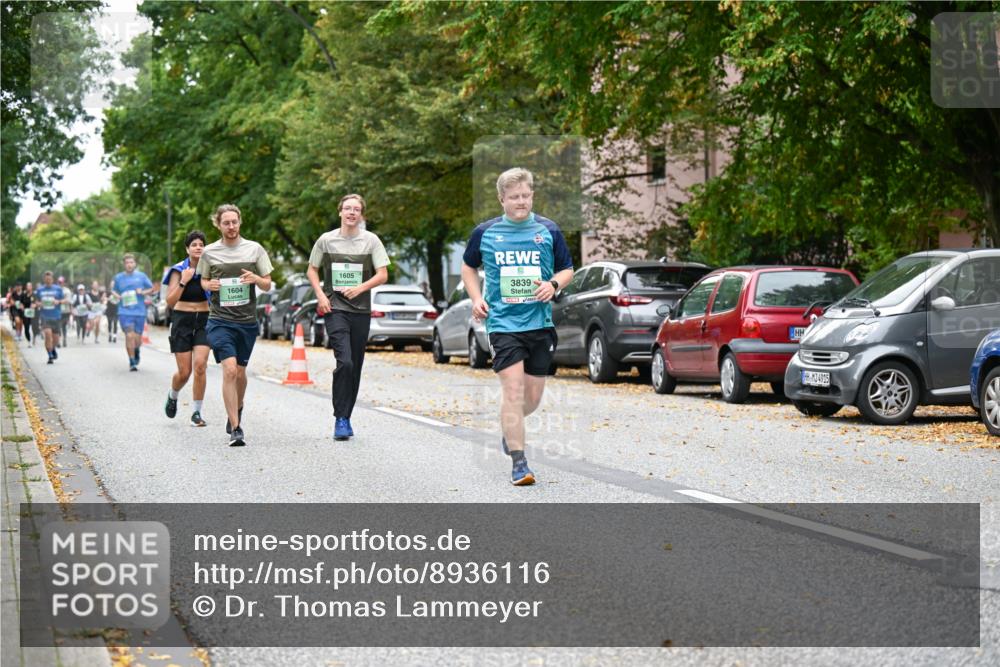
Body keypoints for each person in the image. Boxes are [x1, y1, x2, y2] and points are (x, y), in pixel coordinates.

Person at [461, 167, 574, 486]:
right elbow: (468, 267)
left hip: (539, 323)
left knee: (533, 398)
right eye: (514, 197)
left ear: (532, 196)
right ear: (502, 199)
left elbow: (568, 269)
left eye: (525, 196)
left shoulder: (548, 230)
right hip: (502, 324)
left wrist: (553, 284)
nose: (521, 202)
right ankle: (519, 463)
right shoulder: (485, 232)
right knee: (512, 389)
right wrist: (476, 298)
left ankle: (510, 430)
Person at [306, 193, 390, 441]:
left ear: (361, 214)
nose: (352, 213)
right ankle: (340, 419)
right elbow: (312, 269)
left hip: (360, 311)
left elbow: (382, 274)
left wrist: (361, 288)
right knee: (345, 362)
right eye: (347, 208)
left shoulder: (371, 241)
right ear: (340, 212)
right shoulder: (326, 240)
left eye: (356, 209)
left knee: (355, 366)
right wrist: (321, 295)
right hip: (335, 309)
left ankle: (347, 415)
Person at [200, 204, 273, 446]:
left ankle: (237, 408)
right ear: (218, 225)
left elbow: (267, 285)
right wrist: (209, 286)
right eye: (226, 223)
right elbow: (204, 280)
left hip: (247, 322)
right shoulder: (209, 252)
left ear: (240, 222)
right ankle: (235, 427)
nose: (231, 227)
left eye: (234, 222)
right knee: (229, 370)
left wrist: (256, 278)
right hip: (220, 320)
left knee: (241, 373)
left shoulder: (255, 249)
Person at [164, 230, 211, 427]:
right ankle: (173, 395)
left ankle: (196, 413)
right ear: (187, 248)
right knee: (184, 372)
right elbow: (170, 301)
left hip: (204, 320)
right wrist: (184, 280)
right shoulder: (178, 270)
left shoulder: (210, 269)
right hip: (182, 320)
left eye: (201, 244)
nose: (198, 247)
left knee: (200, 366)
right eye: (194, 244)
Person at [111, 254, 154, 371]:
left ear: (135, 264)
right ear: (124, 264)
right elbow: (113, 290)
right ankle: (131, 361)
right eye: (127, 263)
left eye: (131, 262)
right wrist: (118, 296)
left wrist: (143, 292)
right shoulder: (118, 277)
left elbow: (152, 289)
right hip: (124, 311)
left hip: (139, 312)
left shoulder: (141, 276)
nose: (129, 264)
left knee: (137, 339)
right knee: (129, 335)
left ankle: (136, 350)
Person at [34, 272, 67, 364]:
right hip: (45, 316)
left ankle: (53, 349)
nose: (48, 280)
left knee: (56, 339)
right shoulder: (40, 290)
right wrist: (38, 304)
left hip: (56, 316)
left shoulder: (58, 289)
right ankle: (50, 356)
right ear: (44, 279)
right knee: (48, 335)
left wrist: (58, 301)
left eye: (50, 279)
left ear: (52, 279)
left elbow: (65, 300)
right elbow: (36, 302)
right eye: (46, 279)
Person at [57, 277, 71, 347]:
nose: (60, 284)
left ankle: (64, 339)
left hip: (65, 311)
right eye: (59, 282)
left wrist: (60, 301)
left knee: (64, 326)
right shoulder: (56, 290)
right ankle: (58, 341)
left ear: (63, 283)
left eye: (61, 282)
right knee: (58, 326)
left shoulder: (67, 291)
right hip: (57, 311)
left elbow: (68, 300)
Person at [21, 282, 36, 347]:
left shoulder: (34, 294)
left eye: (30, 286)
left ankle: (34, 338)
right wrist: (22, 307)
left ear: (32, 287)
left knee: (34, 327)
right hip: (26, 312)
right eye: (27, 286)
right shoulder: (23, 295)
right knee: (26, 327)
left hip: (33, 312)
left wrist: (34, 305)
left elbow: (38, 302)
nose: (28, 287)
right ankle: (29, 341)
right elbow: (20, 303)